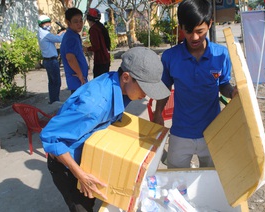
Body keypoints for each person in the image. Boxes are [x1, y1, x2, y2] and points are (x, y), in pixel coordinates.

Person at [40, 47, 170, 212]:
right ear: (126, 77)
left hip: (90, 154)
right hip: (67, 164)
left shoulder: (120, 85)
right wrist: (80, 175)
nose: (146, 95)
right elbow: (51, 136)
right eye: (144, 89)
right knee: (82, 206)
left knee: (95, 199)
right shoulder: (94, 105)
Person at [153, 0, 237, 169]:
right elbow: (164, 88)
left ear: (210, 24)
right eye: (189, 31)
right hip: (181, 133)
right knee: (175, 181)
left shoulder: (221, 54)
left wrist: (232, 92)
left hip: (213, 132)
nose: (194, 37)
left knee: (212, 180)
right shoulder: (170, 57)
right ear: (181, 27)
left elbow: (223, 84)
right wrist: (158, 113)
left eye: (200, 31)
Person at [37, 15, 65, 104]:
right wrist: (64, 32)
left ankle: (53, 100)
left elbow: (54, 38)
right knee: (56, 82)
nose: (48, 24)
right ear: (41, 24)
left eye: (49, 22)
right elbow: (58, 39)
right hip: (51, 61)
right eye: (46, 23)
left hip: (47, 60)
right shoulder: (45, 34)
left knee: (52, 82)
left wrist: (60, 33)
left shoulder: (41, 33)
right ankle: (55, 100)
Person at [60, 8, 89, 94]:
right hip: (77, 79)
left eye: (81, 21)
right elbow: (70, 58)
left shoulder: (74, 35)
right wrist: (80, 75)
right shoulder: (71, 38)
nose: (79, 24)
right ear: (68, 23)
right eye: (76, 21)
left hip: (79, 79)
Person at [86, 8, 111, 79]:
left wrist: (87, 48)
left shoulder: (93, 29)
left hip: (100, 60)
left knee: (99, 82)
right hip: (106, 58)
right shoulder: (100, 26)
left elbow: (97, 46)